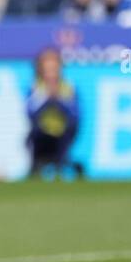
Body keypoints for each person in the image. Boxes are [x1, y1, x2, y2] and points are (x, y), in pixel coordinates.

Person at [26, 49, 82, 179]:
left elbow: (75, 116)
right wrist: (47, 99)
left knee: (65, 138)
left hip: (63, 134)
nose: (51, 74)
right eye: (47, 69)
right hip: (40, 134)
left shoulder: (68, 87)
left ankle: (62, 167)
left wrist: (58, 100)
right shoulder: (35, 88)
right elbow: (30, 113)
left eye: (54, 69)